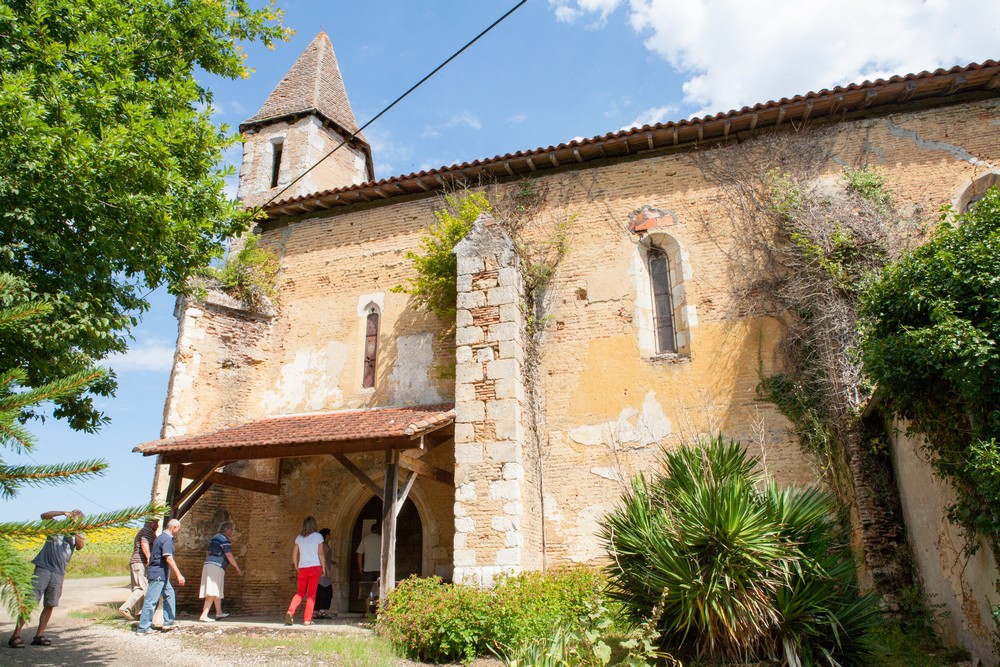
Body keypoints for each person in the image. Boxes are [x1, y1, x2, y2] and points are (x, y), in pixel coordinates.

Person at [7, 510, 85, 649]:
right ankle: (16, 635)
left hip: (59, 572)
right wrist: (62, 512)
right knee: (31, 601)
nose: (74, 520)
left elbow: (80, 546)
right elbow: (43, 516)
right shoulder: (55, 526)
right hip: (43, 568)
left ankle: (39, 636)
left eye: (77, 519)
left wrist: (76, 528)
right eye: (73, 517)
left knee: (50, 604)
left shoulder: (78, 533)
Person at [136, 518, 185, 635]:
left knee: (170, 594)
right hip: (158, 574)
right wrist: (179, 575)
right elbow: (169, 558)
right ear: (173, 528)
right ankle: (143, 628)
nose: (178, 531)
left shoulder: (162, 537)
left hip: (161, 574)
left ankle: (169, 621)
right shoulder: (166, 539)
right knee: (151, 600)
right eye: (178, 529)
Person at [285, 516, 326, 626]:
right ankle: (307, 619)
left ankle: (290, 611)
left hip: (302, 567)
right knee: (311, 594)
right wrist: (323, 567)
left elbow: (294, 553)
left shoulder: (299, 538)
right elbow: (321, 553)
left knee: (300, 592)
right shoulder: (318, 536)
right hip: (314, 567)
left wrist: (296, 565)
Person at [198, 521, 242, 622]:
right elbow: (228, 554)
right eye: (231, 529)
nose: (231, 531)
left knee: (217, 589)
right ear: (226, 529)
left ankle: (219, 612)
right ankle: (204, 615)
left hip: (209, 564)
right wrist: (237, 567)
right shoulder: (224, 540)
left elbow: (208, 552)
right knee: (213, 590)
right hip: (216, 565)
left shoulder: (214, 538)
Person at [118, 518, 159, 621]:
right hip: (140, 562)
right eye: (156, 523)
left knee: (137, 588)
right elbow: (144, 543)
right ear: (151, 523)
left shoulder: (143, 531)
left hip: (135, 563)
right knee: (142, 588)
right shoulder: (147, 531)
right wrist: (149, 557)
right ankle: (125, 608)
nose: (158, 526)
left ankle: (138, 613)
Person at [313, 528, 334, 618]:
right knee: (326, 591)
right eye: (329, 534)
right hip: (323, 572)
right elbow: (323, 558)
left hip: (319, 570)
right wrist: (328, 571)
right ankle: (322, 611)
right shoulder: (324, 546)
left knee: (319, 590)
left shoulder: (320, 545)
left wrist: (333, 562)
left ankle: (316, 611)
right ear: (326, 536)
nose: (330, 536)